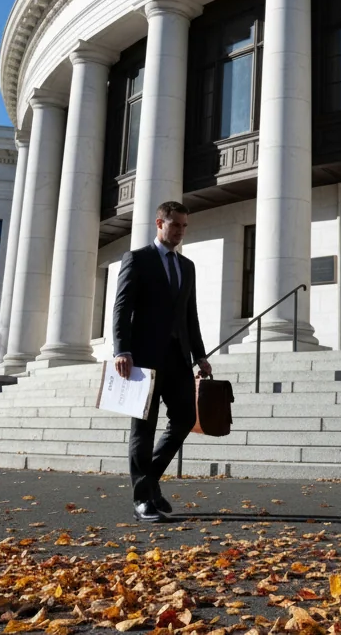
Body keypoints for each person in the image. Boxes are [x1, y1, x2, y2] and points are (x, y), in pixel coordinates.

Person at [113, 201, 211, 523]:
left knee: (184, 418)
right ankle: (143, 499)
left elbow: (190, 316)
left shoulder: (188, 267)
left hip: (178, 358)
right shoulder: (137, 260)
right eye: (176, 225)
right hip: (142, 360)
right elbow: (122, 308)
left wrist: (200, 356)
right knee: (143, 427)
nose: (181, 231)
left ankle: (149, 481)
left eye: (185, 226)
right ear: (160, 223)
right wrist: (121, 350)